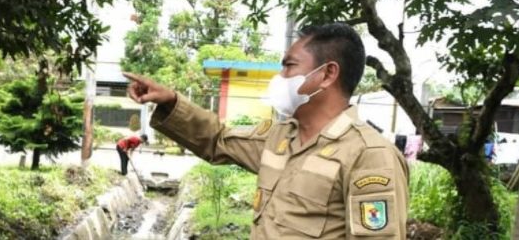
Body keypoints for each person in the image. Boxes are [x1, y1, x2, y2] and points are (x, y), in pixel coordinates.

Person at [124, 23, 409, 238]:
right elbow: (218, 140)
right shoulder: (280, 137)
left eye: (288, 66)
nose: (279, 77)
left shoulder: (369, 155)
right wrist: (171, 100)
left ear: (327, 74)